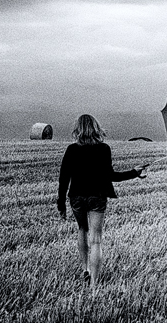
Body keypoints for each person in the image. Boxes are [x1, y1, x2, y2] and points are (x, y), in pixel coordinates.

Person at [57, 114, 146, 288]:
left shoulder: (71, 149)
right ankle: (94, 285)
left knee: (82, 229)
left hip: (76, 197)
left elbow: (63, 179)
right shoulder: (103, 149)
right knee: (96, 239)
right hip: (97, 197)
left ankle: (85, 269)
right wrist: (134, 173)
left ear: (78, 129)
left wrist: (61, 203)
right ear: (96, 128)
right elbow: (111, 176)